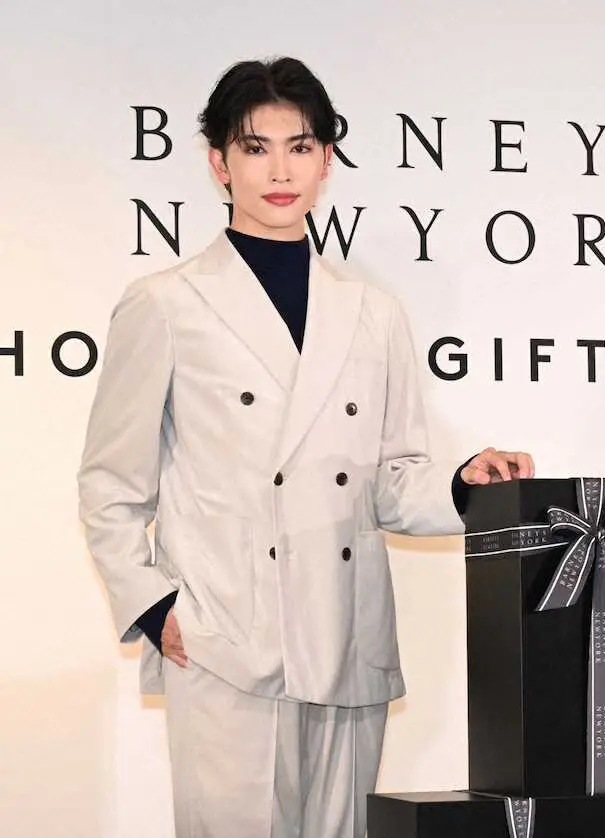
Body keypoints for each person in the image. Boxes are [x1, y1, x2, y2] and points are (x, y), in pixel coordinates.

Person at [77, 56, 532, 838]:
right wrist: (155, 609)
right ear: (219, 162)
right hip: (225, 639)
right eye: (255, 148)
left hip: (347, 638)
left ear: (327, 159)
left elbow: (392, 479)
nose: (280, 171)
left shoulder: (373, 312)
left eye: (300, 146)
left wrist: (464, 483)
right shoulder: (166, 304)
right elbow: (110, 484)